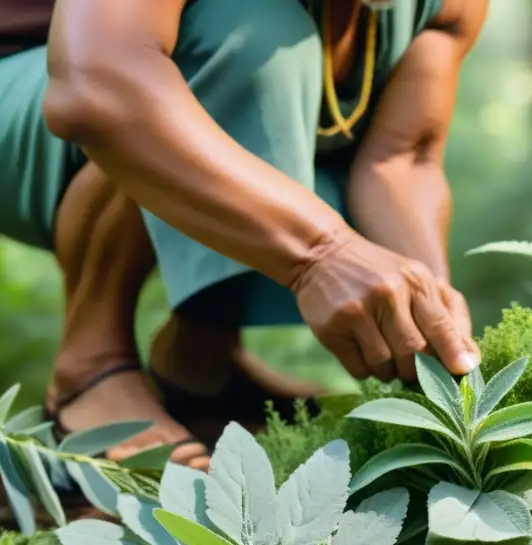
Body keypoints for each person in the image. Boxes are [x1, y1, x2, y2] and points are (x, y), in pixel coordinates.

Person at [0, 0, 486, 471]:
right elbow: (96, 87)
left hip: (117, 85)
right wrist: (322, 254)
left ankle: (200, 361)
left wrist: (432, 319)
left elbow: (403, 155)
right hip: (31, 88)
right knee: (250, 27)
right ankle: (91, 370)